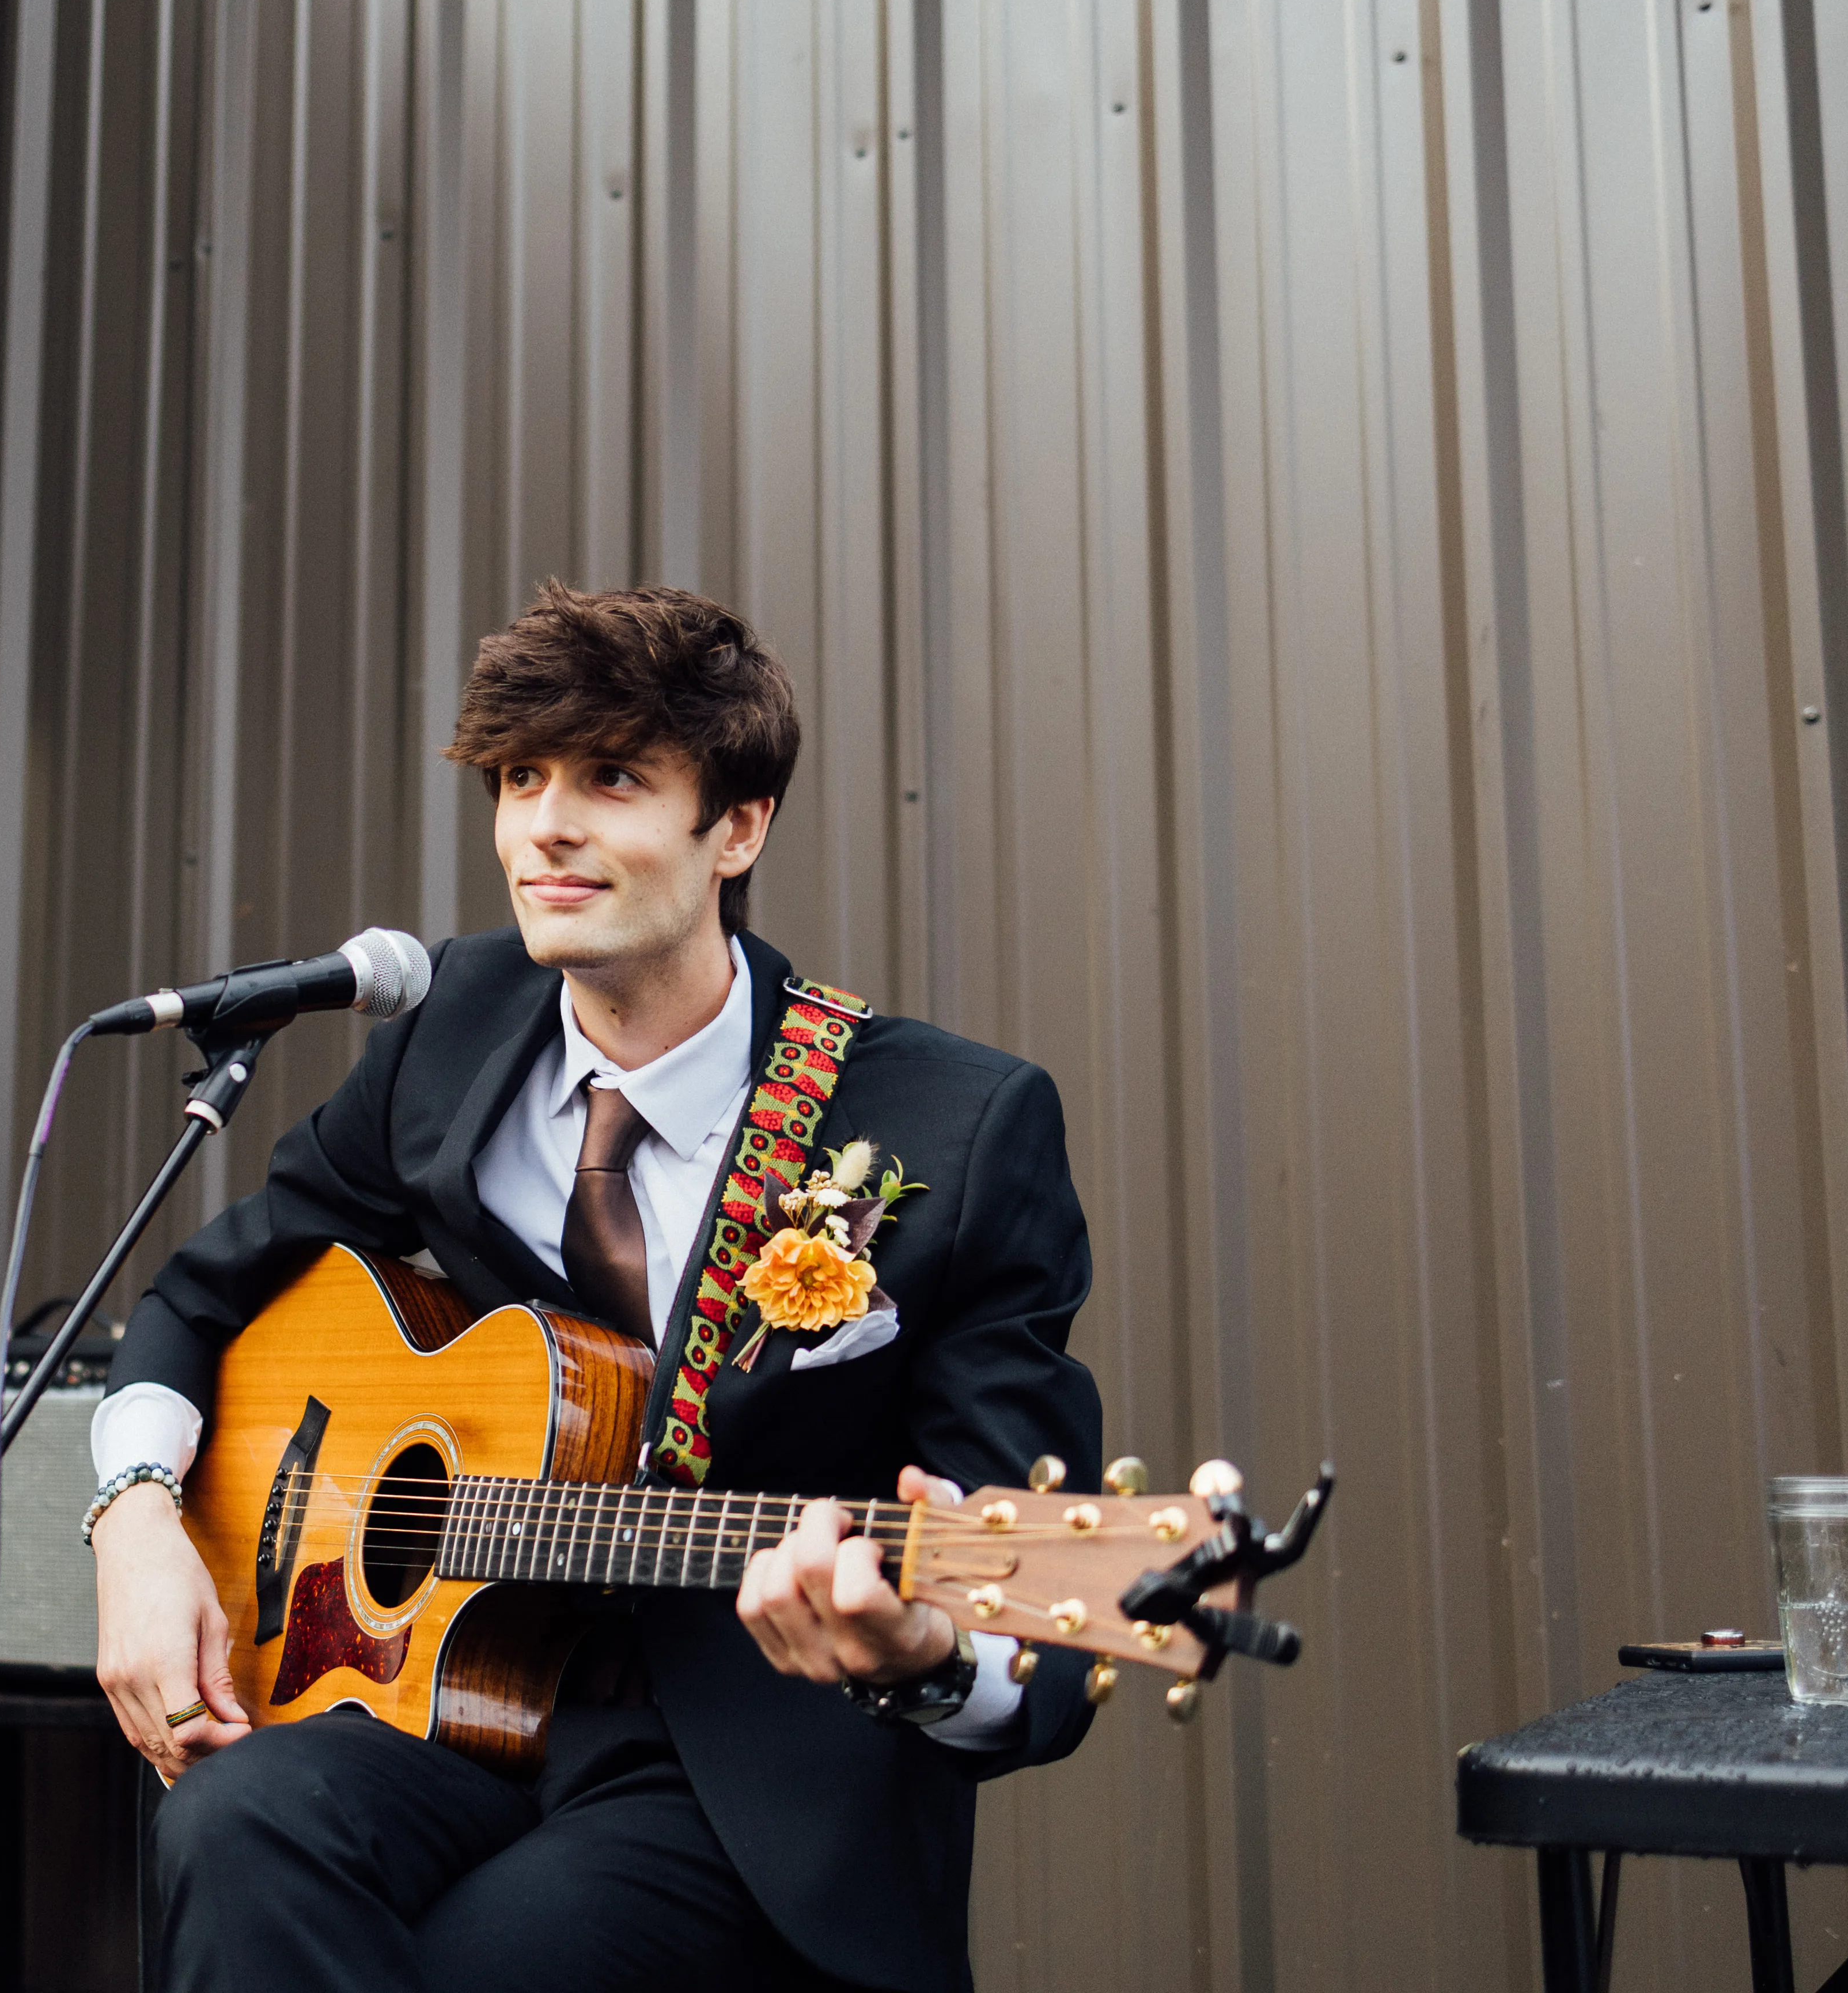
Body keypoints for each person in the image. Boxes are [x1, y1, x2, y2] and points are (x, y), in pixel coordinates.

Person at [84, 583, 1105, 1993]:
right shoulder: (449, 1029)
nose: (545, 826)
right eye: (520, 779)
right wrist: (134, 1521)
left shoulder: (954, 1124)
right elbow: (203, 1297)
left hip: (736, 1778)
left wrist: (921, 1647)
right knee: (231, 1822)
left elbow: (1034, 1619)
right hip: (449, 1697)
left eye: (612, 777)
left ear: (737, 825)